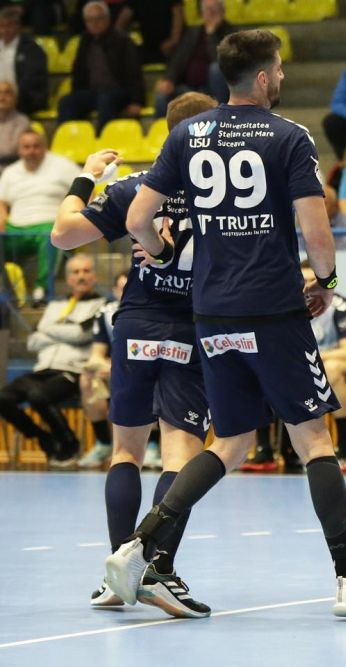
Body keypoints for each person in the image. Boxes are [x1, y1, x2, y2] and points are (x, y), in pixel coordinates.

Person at [107, 29, 346, 619]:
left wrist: (157, 254)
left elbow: (138, 215)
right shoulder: (289, 137)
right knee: (314, 440)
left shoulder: (187, 134)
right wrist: (328, 283)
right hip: (272, 307)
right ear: (262, 78)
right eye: (280, 70)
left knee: (232, 443)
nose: (283, 78)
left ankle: (140, 545)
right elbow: (317, 231)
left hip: (211, 312)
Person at [50, 92, 221, 617]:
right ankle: (158, 569)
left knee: (125, 452)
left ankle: (116, 571)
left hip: (137, 325)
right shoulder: (227, 195)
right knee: (180, 454)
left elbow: (62, 234)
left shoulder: (135, 189)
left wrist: (86, 176)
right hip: (192, 330)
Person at [244, 265, 346, 474]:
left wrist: (309, 359)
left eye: (310, 281)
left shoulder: (340, 306)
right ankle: (266, 450)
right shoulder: (282, 307)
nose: (306, 288)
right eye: (301, 282)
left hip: (341, 369)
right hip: (298, 370)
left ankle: (344, 451)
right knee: (263, 370)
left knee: (332, 370)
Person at [0, 253, 105, 466]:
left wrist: (46, 330)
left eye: (86, 271)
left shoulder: (101, 306)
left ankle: (69, 444)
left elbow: (81, 335)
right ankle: (42, 437)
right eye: (76, 272)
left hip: (73, 371)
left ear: (94, 276)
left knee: (38, 396)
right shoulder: (54, 306)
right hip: (42, 369)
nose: (81, 276)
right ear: (68, 279)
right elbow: (32, 341)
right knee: (3, 398)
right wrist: (62, 331)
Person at [0, 128, 80, 305]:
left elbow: (88, 188)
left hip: (49, 226)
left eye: (36, 146)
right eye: (26, 147)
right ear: (19, 150)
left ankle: (41, 290)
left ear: (45, 146)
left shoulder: (63, 166)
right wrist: (2, 219)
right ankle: (6, 289)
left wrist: (79, 215)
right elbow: (2, 203)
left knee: (50, 234)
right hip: (16, 229)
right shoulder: (10, 172)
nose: (31, 151)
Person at [57, 1, 145, 133]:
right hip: (93, 93)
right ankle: (69, 138)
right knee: (67, 102)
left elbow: (134, 72)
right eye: (90, 20)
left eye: (99, 18)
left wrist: (136, 101)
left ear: (108, 19)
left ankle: (102, 141)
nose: (95, 23)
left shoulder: (122, 40)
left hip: (119, 91)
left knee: (106, 100)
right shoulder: (85, 41)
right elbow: (78, 72)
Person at [76, 270, 127, 469]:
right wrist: (109, 366)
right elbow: (96, 355)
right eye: (122, 289)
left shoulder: (153, 311)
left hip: (147, 369)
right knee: (87, 377)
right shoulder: (106, 314)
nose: (126, 293)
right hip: (116, 370)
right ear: (114, 291)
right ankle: (104, 443)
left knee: (152, 378)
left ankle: (153, 444)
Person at [152, 0, 233, 117]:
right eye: (207, 10)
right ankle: (160, 132)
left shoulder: (230, 33)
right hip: (188, 88)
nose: (210, 14)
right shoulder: (193, 32)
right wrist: (169, 79)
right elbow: (178, 57)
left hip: (212, 91)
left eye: (214, 10)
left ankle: (221, 116)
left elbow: (220, 62)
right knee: (162, 95)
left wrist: (211, 35)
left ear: (222, 11)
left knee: (215, 68)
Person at [0, 7, 48, 116]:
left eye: (9, 25)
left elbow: (32, 79)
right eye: (2, 26)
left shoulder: (32, 49)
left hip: (25, 96)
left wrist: (10, 94)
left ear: (18, 27)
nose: (5, 30)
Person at [115, 0, 184, 65]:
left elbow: (178, 12)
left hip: (170, 48)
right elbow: (124, 17)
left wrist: (173, 40)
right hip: (147, 47)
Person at [0, 80, 31, 169]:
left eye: (7, 93)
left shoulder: (22, 121)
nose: (2, 97)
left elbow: (12, 150)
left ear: (15, 98)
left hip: (10, 168)